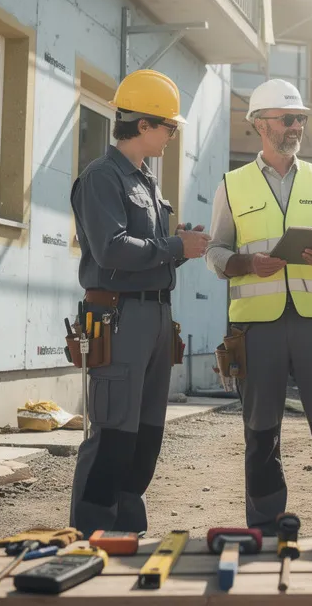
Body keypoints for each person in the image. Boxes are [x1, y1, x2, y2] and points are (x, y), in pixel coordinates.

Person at [206, 78, 312, 533]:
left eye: (301, 119)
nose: (297, 126)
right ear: (260, 124)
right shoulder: (232, 185)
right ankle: (265, 524)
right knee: (261, 434)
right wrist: (245, 262)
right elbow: (215, 253)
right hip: (258, 329)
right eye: (287, 118)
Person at [68, 68, 211, 536]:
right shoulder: (101, 177)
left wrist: (180, 247)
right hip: (119, 315)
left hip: (153, 315)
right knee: (112, 432)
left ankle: (127, 531)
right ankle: (92, 535)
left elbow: (147, 255)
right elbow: (110, 250)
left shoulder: (147, 180)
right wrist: (174, 247)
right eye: (168, 127)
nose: (172, 135)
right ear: (144, 125)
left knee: (146, 436)